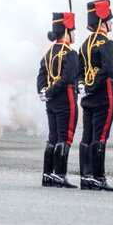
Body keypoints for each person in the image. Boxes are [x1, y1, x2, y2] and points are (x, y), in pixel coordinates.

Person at [76, 0, 113, 191]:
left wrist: (83, 86)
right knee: (100, 137)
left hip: (87, 97)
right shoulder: (106, 43)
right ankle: (98, 178)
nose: (111, 23)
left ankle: (86, 177)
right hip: (102, 96)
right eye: (109, 19)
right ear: (102, 21)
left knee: (87, 136)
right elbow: (108, 70)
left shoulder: (85, 44)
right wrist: (92, 86)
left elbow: (79, 72)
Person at [37, 11, 79, 188]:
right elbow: (68, 78)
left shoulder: (49, 53)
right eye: (73, 31)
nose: (74, 35)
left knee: (52, 137)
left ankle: (48, 175)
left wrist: (44, 91)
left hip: (51, 100)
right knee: (65, 137)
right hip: (65, 99)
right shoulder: (69, 53)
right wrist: (53, 91)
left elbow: (41, 76)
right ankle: (60, 175)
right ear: (67, 32)